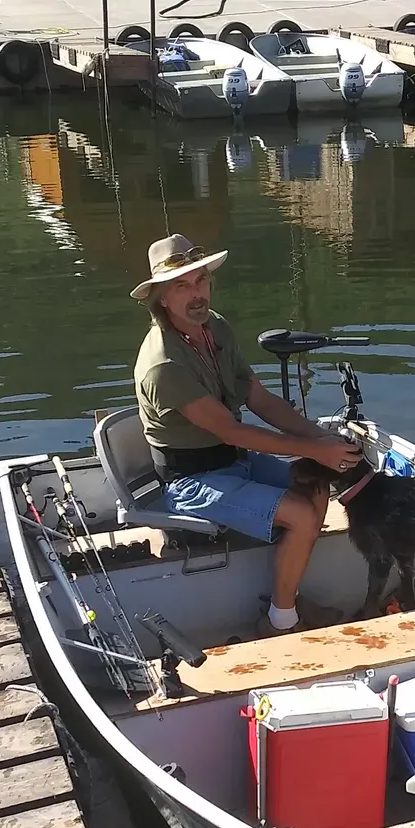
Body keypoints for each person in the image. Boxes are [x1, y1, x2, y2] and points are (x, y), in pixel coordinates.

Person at [131, 233, 361, 634]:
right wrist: (313, 447)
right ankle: (281, 620)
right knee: (303, 514)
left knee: (316, 482)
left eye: (200, 280)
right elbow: (232, 430)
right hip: (191, 479)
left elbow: (258, 397)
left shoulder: (215, 327)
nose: (196, 293)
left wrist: (322, 440)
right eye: (181, 286)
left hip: (234, 459)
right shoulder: (164, 365)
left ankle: (285, 588)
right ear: (162, 298)